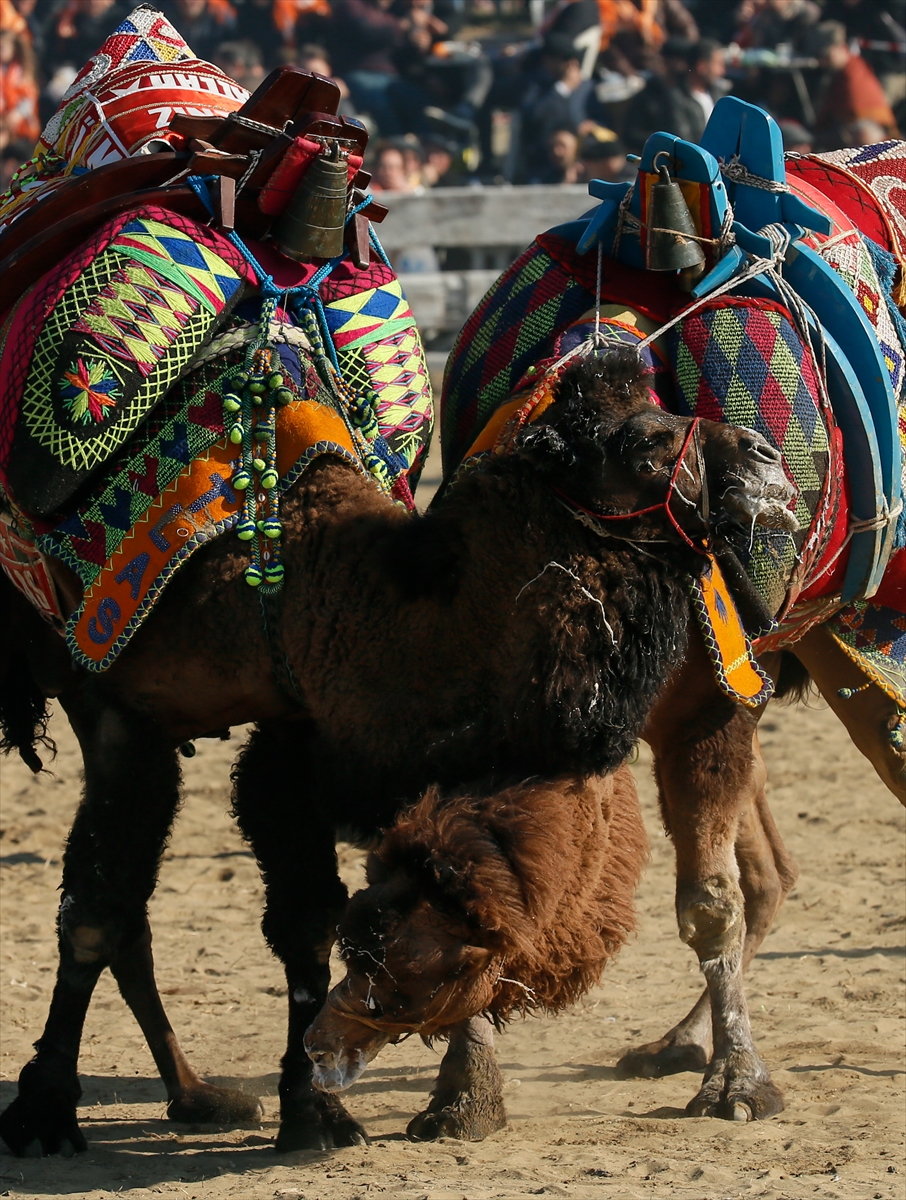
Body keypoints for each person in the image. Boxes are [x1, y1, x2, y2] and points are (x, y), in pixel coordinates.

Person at [514, 31, 608, 183]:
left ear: (568, 63)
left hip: (584, 157)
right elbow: (533, 116)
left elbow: (602, 121)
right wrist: (562, 88)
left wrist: (592, 127)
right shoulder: (539, 87)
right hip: (545, 159)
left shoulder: (589, 89)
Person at [622, 37, 728, 154]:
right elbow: (683, 141)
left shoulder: (718, 95)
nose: (722, 71)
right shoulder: (673, 98)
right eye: (718, 64)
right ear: (701, 66)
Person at [810, 20, 899, 149]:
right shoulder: (841, 73)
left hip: (869, 140)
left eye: (827, 56)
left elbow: (865, 128)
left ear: (841, 48)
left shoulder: (854, 78)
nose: (823, 62)